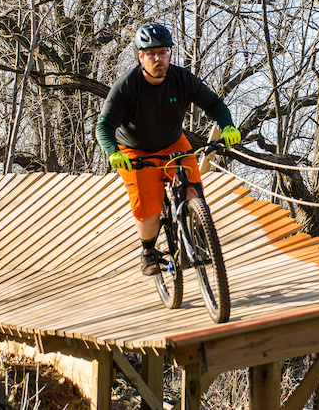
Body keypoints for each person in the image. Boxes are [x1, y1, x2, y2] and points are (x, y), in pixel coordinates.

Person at [95, 23, 241, 276]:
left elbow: (214, 104)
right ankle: (149, 252)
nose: (157, 58)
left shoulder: (181, 78)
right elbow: (104, 125)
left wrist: (227, 126)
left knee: (194, 194)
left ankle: (198, 235)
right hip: (134, 151)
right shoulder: (127, 85)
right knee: (148, 205)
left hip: (174, 144)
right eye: (151, 53)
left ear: (169, 54)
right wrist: (112, 152)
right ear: (141, 56)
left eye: (162, 52)